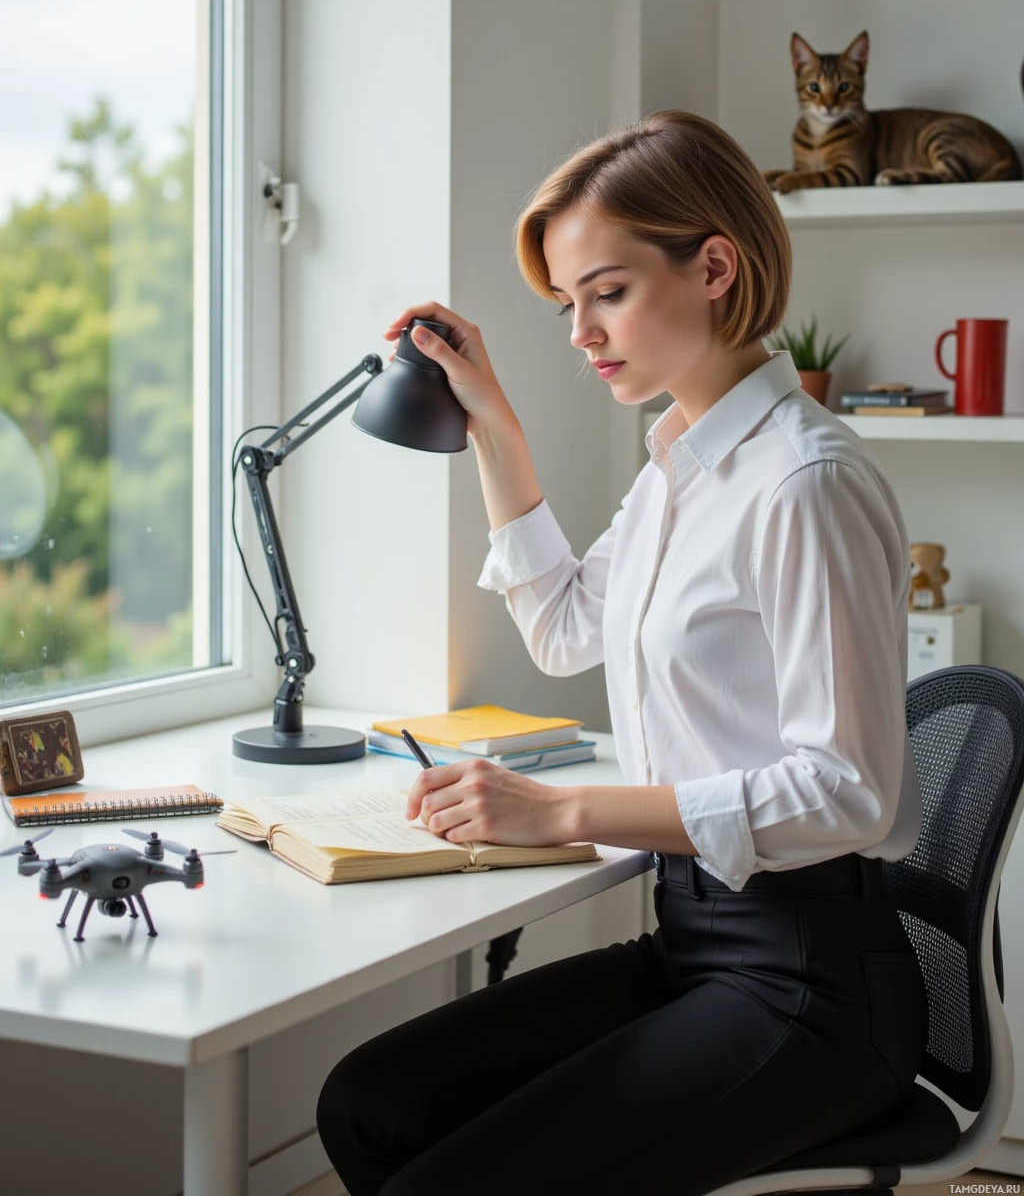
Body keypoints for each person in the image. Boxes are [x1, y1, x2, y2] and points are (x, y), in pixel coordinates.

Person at [316, 110, 928, 1196]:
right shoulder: (677, 470)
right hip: (693, 945)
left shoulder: (802, 482)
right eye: (566, 305)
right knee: (370, 1103)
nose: (582, 333)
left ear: (714, 267)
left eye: (607, 292)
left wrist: (563, 812)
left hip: (810, 990)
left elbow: (851, 795)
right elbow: (562, 631)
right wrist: (491, 418)